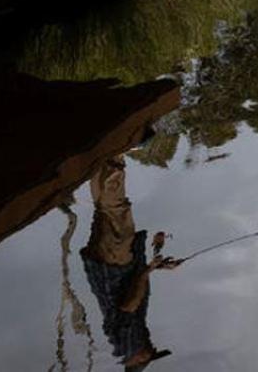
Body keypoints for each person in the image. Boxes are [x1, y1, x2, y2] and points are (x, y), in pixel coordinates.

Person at [80, 155, 178, 368]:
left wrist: (147, 271)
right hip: (108, 264)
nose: (152, 347)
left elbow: (128, 305)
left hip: (114, 263)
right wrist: (156, 267)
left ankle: (114, 153)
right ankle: (100, 158)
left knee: (116, 209)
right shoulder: (125, 343)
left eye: (150, 352)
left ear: (140, 359)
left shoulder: (128, 346)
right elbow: (132, 292)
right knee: (105, 212)